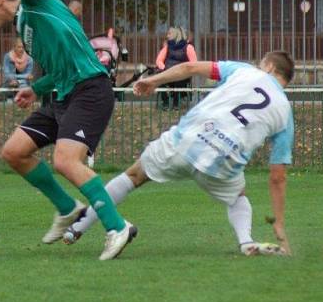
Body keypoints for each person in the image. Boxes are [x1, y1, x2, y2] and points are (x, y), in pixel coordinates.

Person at [0, 0, 137, 260]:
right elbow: (60, 68)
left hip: (90, 91)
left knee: (65, 160)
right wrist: (35, 89)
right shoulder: (24, 29)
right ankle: (67, 208)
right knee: (14, 151)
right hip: (64, 95)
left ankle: (117, 227)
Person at [63, 51, 295, 257]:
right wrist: (280, 224)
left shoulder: (244, 70)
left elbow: (189, 68)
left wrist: (153, 80)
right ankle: (246, 241)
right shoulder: (285, 112)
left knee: (133, 176)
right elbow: (278, 175)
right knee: (237, 197)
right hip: (224, 162)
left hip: (188, 140)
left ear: (269, 68)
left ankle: (78, 228)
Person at [154, 26, 197, 109]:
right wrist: (164, 69)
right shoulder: (167, 47)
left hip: (182, 74)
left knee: (179, 80)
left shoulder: (188, 47)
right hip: (168, 72)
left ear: (176, 34)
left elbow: (194, 63)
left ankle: (176, 103)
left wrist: (185, 70)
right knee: (160, 79)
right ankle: (165, 103)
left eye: (169, 33)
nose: (167, 36)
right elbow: (159, 60)